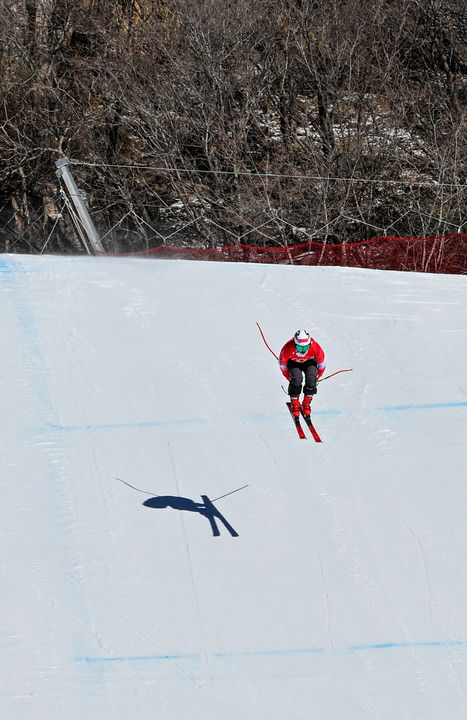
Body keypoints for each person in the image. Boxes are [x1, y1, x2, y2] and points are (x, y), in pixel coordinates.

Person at [279, 330, 326, 417]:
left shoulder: (314, 346)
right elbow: (283, 364)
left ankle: (306, 403)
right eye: (300, 348)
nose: (303, 350)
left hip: (309, 362)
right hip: (294, 363)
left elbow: (322, 362)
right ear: (295, 344)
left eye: (306, 347)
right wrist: (288, 376)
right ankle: (295, 402)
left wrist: (318, 375)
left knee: (311, 380)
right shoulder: (288, 348)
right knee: (296, 379)